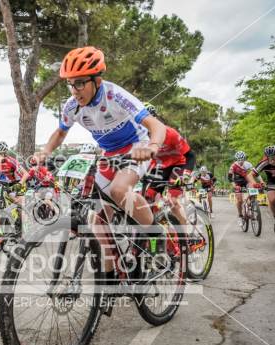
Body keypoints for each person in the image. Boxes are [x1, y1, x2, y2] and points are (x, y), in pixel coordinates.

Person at [37, 46, 166, 280]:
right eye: (70, 83)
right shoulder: (72, 106)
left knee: (119, 190)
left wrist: (152, 147)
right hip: (109, 152)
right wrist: (44, 151)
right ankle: (108, 279)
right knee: (98, 219)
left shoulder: (115, 96)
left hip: (136, 146)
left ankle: (155, 233)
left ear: (97, 80)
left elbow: (156, 126)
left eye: (79, 83)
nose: (74, 91)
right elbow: (61, 132)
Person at [145, 125, 196, 227]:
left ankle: (184, 237)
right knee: (147, 199)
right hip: (159, 168)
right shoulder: (140, 136)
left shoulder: (171, 133)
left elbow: (191, 156)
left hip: (178, 165)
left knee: (173, 202)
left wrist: (185, 175)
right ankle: (162, 227)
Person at [228, 151, 264, 226]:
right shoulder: (233, 166)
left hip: (246, 181)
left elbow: (256, 174)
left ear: (244, 159)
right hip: (237, 183)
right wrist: (234, 185)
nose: (241, 161)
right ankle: (240, 216)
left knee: (253, 189)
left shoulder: (248, 164)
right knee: (239, 200)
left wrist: (261, 181)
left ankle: (252, 203)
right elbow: (230, 178)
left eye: (242, 159)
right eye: (239, 159)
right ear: (236, 159)